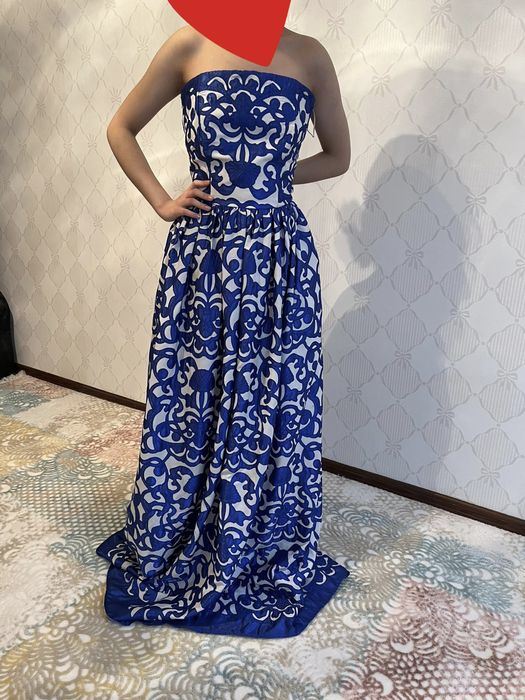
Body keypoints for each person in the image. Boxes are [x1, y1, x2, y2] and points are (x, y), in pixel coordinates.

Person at [96, 24, 352, 638]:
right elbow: (120, 127)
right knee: (196, 388)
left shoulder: (310, 55)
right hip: (204, 251)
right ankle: (187, 521)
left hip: (280, 255)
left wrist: (272, 178)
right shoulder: (188, 45)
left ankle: (252, 531)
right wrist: (162, 200)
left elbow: (338, 157)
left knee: (271, 392)